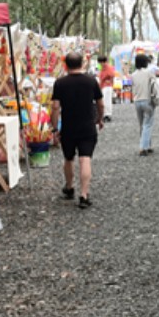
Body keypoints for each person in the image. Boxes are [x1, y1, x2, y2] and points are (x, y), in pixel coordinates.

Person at [51, 52, 104, 208]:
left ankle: (69, 187)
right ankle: (84, 194)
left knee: (68, 158)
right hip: (87, 126)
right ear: (83, 64)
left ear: (65, 65)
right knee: (85, 158)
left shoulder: (60, 83)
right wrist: (99, 119)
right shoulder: (91, 81)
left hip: (68, 127)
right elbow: (100, 104)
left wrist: (55, 128)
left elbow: (55, 107)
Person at [131, 53, 158, 156]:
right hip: (148, 100)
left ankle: (148, 144)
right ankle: (143, 147)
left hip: (137, 101)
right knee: (148, 124)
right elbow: (155, 86)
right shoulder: (149, 73)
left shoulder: (133, 74)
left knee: (142, 124)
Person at [97, 55, 117, 122]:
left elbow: (112, 76)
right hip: (104, 85)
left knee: (106, 100)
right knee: (104, 100)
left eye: (101, 62)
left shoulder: (108, 67)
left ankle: (107, 114)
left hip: (107, 86)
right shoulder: (103, 68)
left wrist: (110, 82)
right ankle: (105, 114)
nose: (101, 64)